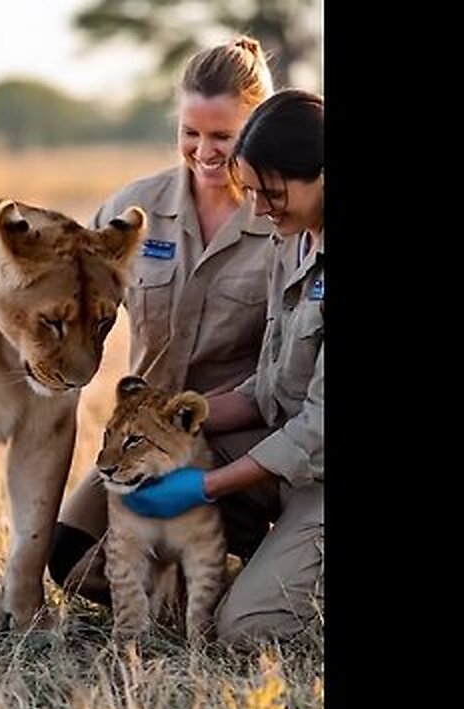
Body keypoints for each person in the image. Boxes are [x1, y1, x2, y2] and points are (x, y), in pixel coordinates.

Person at [68, 89, 327, 646]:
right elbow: (271, 384)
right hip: (276, 440)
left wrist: (204, 485)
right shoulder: (293, 238)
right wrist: (165, 433)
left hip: (318, 465)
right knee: (76, 551)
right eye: (253, 192)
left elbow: (317, 428)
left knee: (246, 630)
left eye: (273, 193)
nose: (258, 209)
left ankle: (281, 575)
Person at [49, 37, 281, 609]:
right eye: (190, 133)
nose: (203, 151)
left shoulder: (284, 218)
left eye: (223, 137)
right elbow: (71, 299)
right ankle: (194, 583)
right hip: (144, 443)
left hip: (243, 440)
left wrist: (193, 428)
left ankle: (248, 565)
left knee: (242, 604)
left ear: (258, 130)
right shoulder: (135, 207)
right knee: (72, 564)